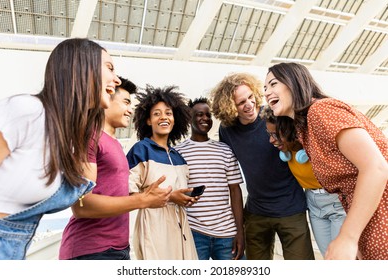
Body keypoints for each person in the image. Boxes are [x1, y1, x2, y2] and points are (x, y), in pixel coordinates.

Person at [0, 38, 121, 260]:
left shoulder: (68, 140)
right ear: (80, 66)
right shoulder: (27, 111)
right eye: (109, 67)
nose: (117, 79)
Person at [264, 62, 388, 260]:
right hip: (368, 220)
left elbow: (376, 167)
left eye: (273, 84)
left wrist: (347, 237)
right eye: (265, 88)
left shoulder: (321, 110)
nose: (267, 92)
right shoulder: (305, 130)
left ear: (294, 82)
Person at [59, 77, 171, 260]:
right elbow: (81, 204)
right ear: (106, 99)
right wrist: (143, 200)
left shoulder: (116, 145)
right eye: (126, 102)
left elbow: (114, 196)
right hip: (91, 251)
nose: (130, 110)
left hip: (118, 249)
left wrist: (153, 196)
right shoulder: (89, 137)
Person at [209, 73, 315, 260]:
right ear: (230, 107)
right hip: (256, 212)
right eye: (241, 102)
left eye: (251, 97)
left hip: (291, 209)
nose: (249, 105)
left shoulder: (274, 115)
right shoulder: (227, 130)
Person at [260, 105, 346, 257]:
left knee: (342, 257)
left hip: (336, 202)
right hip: (313, 203)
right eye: (269, 134)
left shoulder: (315, 147)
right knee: (328, 256)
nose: (271, 140)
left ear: (289, 131)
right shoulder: (287, 151)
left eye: (275, 135)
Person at [126, 85, 198, 260]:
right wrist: (170, 196)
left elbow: (179, 191)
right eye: (157, 113)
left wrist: (185, 198)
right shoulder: (140, 150)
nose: (164, 117)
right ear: (148, 120)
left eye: (168, 113)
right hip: (153, 225)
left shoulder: (179, 157)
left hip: (181, 227)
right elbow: (127, 191)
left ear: (175, 119)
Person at [175, 97, 245, 260]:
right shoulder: (178, 152)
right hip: (194, 233)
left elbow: (235, 191)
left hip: (227, 233)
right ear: (189, 117)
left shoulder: (225, 150)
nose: (205, 118)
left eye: (208, 115)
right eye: (199, 114)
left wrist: (240, 232)